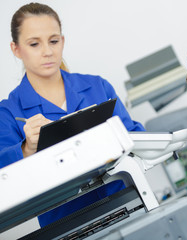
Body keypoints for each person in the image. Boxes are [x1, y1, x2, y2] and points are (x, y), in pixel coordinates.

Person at [0, 2, 144, 227]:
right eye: (34, 44)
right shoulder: (8, 112)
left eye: (54, 41)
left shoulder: (98, 87)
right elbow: (4, 181)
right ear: (16, 49)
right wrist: (26, 149)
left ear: (62, 42)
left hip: (128, 205)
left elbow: (135, 137)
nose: (48, 51)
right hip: (66, 226)